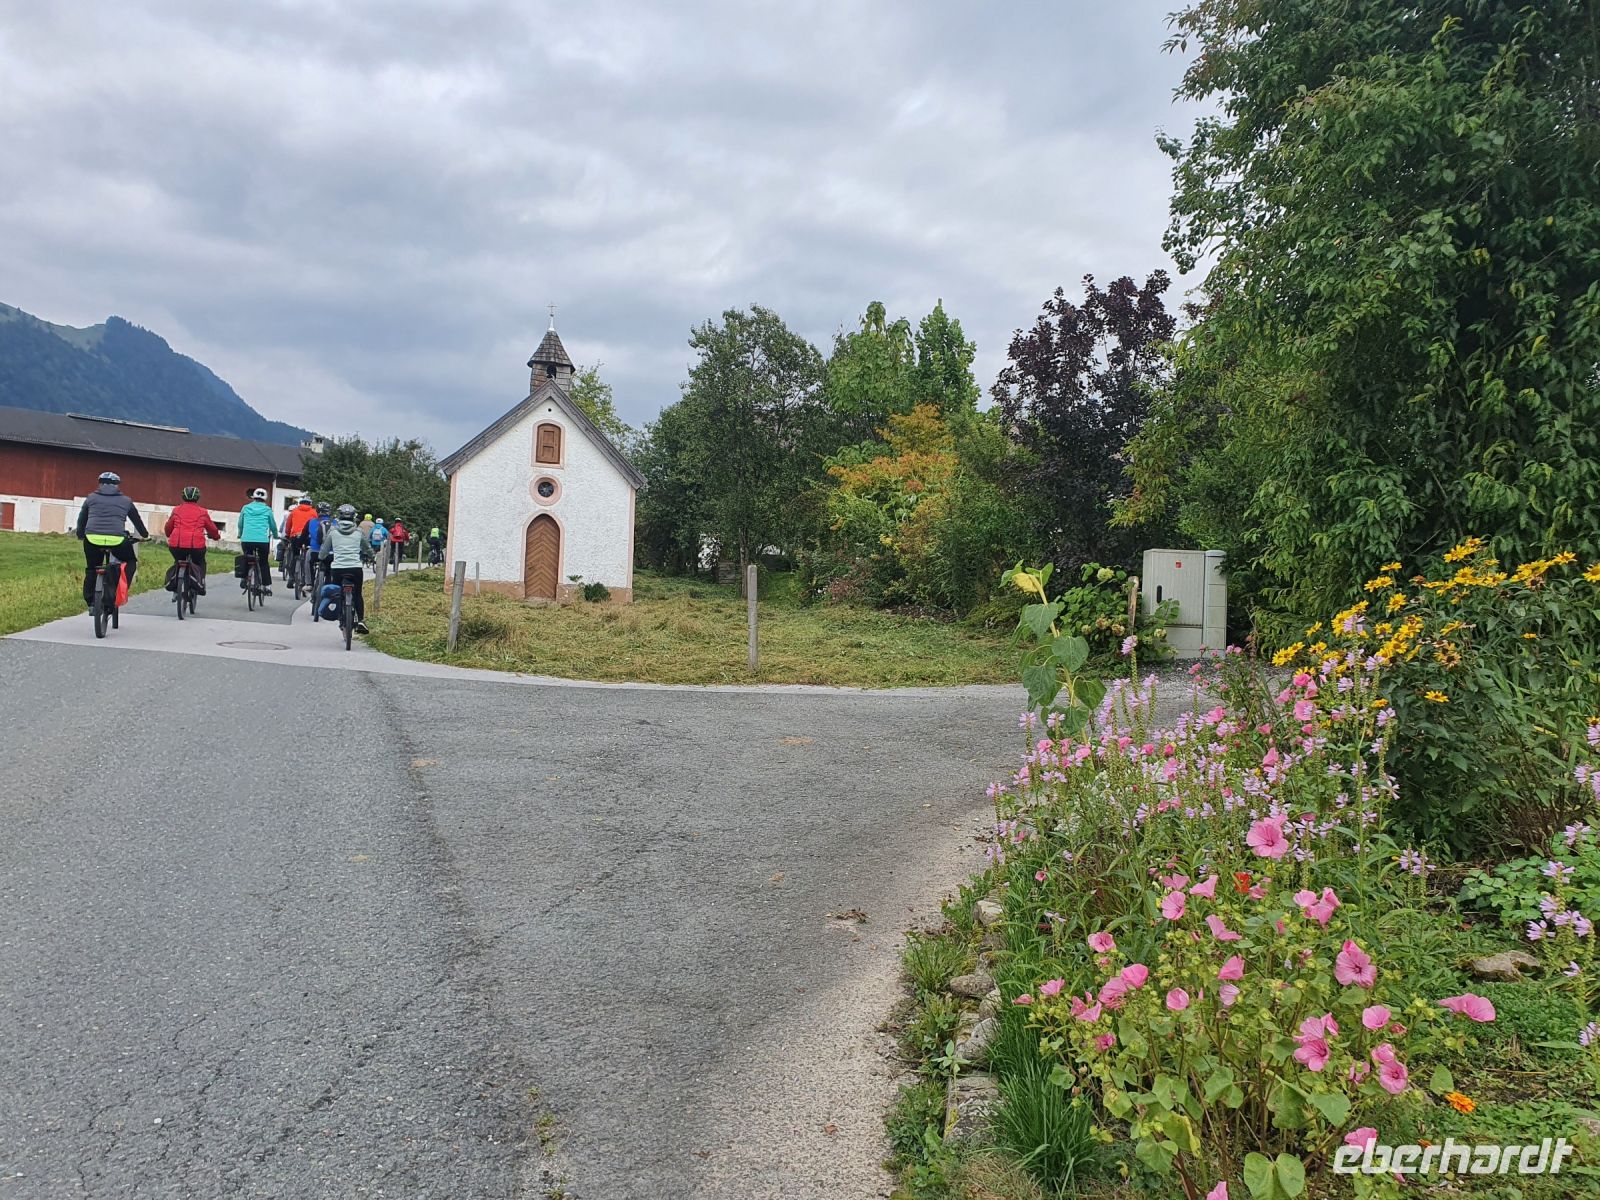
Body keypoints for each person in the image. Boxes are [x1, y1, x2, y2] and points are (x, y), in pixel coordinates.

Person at [75, 471, 148, 606]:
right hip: (117, 540)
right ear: (117, 485)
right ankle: (120, 589)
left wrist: (80, 535)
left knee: (92, 568)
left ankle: (91, 601)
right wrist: (145, 535)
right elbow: (137, 521)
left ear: (100, 484)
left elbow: (82, 520)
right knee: (130, 561)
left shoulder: (90, 498)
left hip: (92, 540)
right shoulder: (126, 501)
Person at [320, 503, 369, 633]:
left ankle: (340, 614)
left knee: (336, 592)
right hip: (355, 568)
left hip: (337, 569)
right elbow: (367, 548)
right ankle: (361, 621)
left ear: (339, 517)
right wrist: (372, 555)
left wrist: (322, 556)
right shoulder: (359, 532)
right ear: (353, 517)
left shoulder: (333, 531)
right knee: (357, 594)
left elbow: (324, 550)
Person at [163, 486, 220, 594]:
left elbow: (168, 527)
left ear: (183, 497)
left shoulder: (176, 510)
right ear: (198, 497)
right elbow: (212, 528)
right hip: (196, 546)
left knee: (178, 560)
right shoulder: (203, 512)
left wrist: (168, 534)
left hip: (176, 545)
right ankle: (201, 583)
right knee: (200, 562)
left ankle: (175, 584)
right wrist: (216, 536)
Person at [237, 487, 278, 594]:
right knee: (263, 562)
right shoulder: (268, 510)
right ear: (265, 499)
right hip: (262, 541)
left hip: (247, 540)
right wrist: (276, 535)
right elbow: (272, 525)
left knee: (247, 558)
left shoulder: (245, 508)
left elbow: (240, 523)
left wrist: (240, 534)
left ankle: (244, 578)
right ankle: (267, 586)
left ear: (253, 497)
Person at [283, 495, 318, 584]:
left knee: (294, 555)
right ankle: (307, 579)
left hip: (295, 536)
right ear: (310, 504)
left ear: (300, 503)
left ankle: (291, 577)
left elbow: (288, 525)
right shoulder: (314, 512)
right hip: (308, 537)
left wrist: (287, 534)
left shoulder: (294, 511)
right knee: (308, 556)